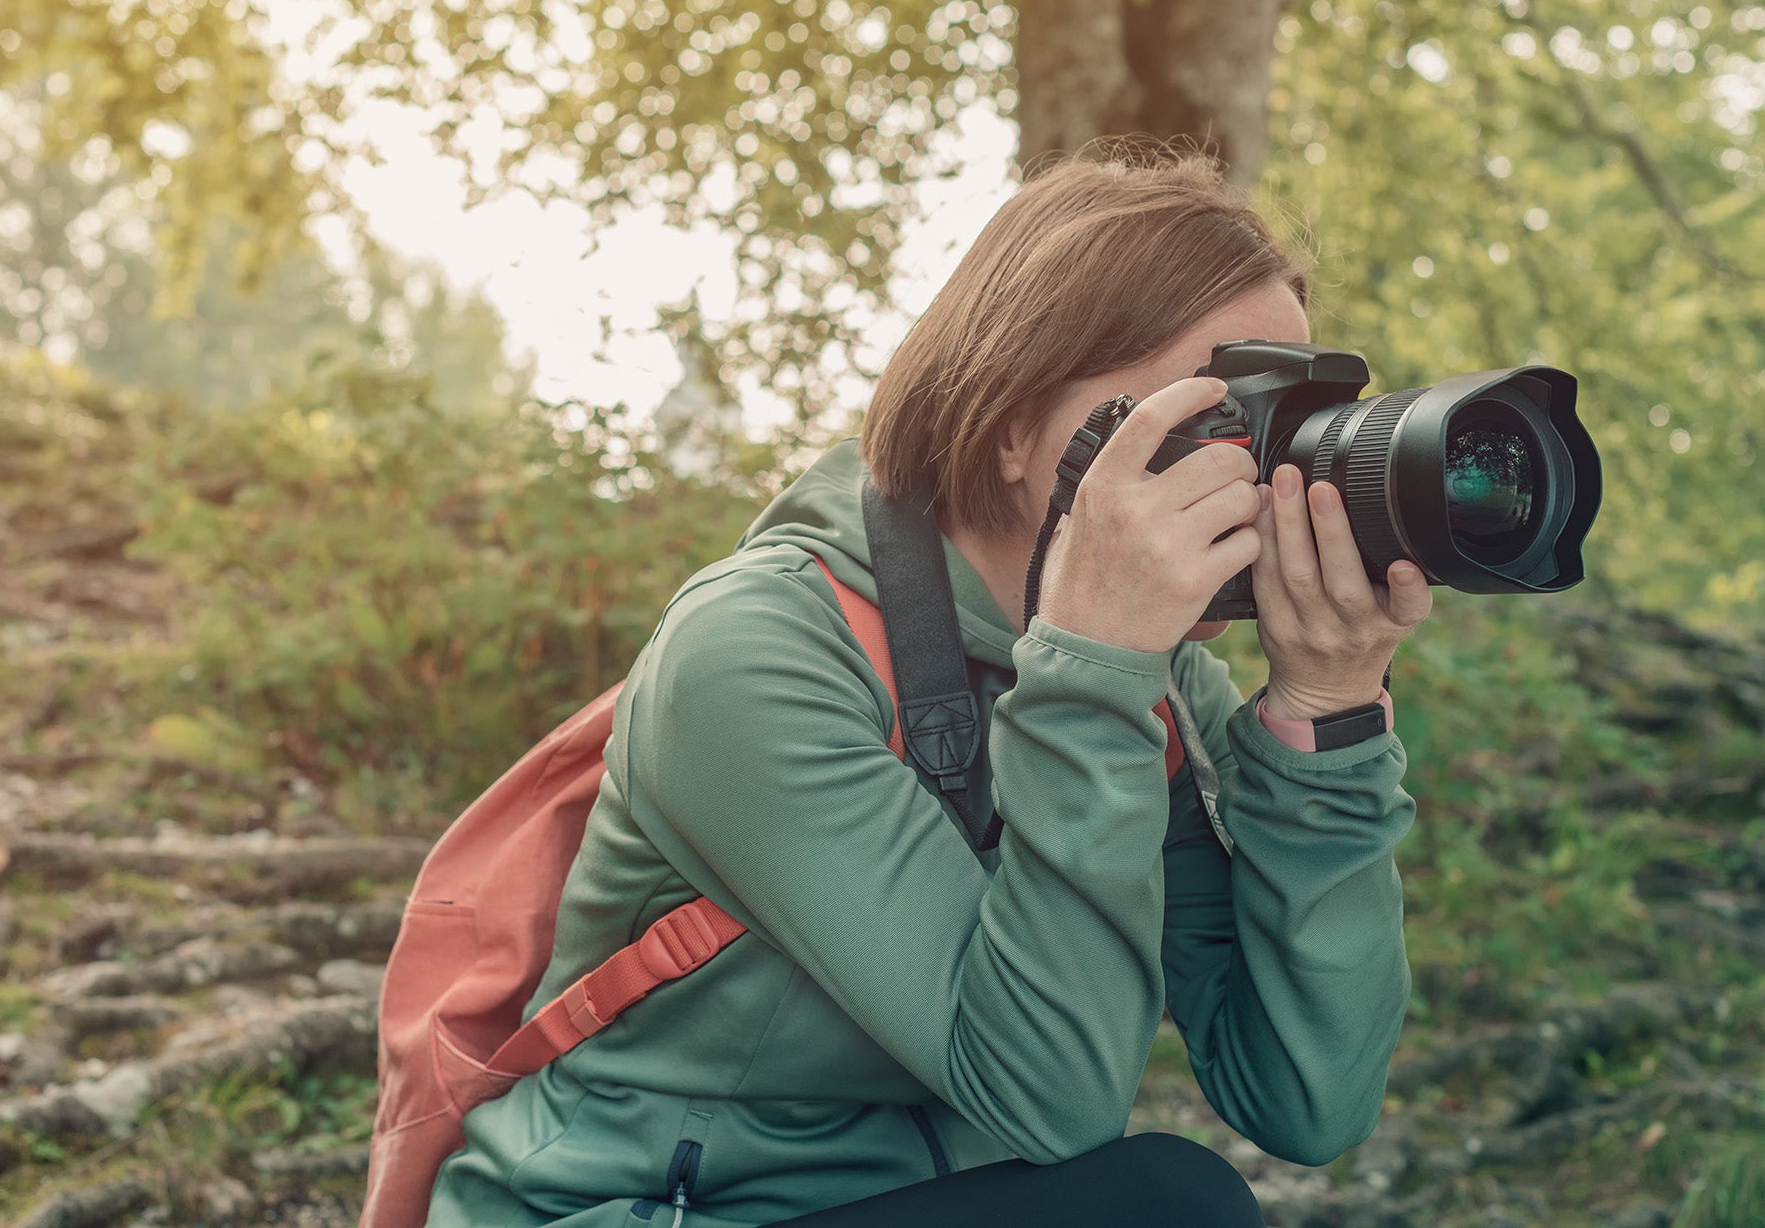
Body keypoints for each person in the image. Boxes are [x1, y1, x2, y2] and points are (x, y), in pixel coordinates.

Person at [424, 150, 1430, 1227]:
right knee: (1164, 1204)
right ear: (1011, 425)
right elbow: (1057, 1106)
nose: (1255, 480)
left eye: (1278, 424)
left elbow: (1309, 1098)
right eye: (1213, 418)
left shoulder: (1159, 680)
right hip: (640, 1210)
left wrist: (1326, 715)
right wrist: (1089, 673)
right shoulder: (752, 653)